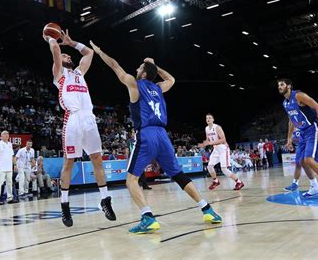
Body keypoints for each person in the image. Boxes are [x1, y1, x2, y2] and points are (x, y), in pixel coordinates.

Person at [91, 41, 222, 234]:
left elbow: (114, 66)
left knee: (130, 180)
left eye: (139, 67)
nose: (136, 68)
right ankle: (207, 209)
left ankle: (147, 217)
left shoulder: (135, 84)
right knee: (178, 175)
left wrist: (100, 51)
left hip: (147, 134)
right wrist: (154, 66)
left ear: (143, 74)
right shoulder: (159, 88)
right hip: (163, 135)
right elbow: (172, 79)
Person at [43, 29, 115, 227]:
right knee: (69, 163)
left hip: (89, 120)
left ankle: (105, 200)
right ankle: (65, 206)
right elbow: (56, 49)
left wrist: (72, 42)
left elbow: (89, 53)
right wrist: (50, 37)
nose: (68, 55)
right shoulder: (59, 75)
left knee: (97, 160)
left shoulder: (79, 73)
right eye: (66, 54)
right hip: (73, 120)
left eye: (69, 55)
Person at [278, 78, 318, 204]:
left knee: (309, 160)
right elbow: (291, 120)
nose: (279, 87)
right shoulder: (285, 103)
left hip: (313, 129)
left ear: (289, 86)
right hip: (302, 132)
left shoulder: (299, 96)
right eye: (278, 85)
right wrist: (289, 138)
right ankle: (315, 187)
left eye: (282, 84)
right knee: (302, 161)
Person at [199, 113, 244, 191]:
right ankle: (215, 181)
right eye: (207, 118)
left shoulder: (217, 127)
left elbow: (223, 140)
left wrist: (210, 143)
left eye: (210, 118)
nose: (208, 119)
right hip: (216, 149)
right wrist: (203, 144)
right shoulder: (206, 128)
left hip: (223, 149)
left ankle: (239, 182)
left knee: (224, 169)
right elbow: (208, 140)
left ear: (213, 119)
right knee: (209, 166)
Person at [0, 131, 17, 206]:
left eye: (7, 134)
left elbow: (12, 156)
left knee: (9, 183)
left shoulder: (10, 144)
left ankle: (10, 198)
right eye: (4, 134)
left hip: (9, 167)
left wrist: (14, 164)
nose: (6, 135)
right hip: (1, 167)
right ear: (1, 136)